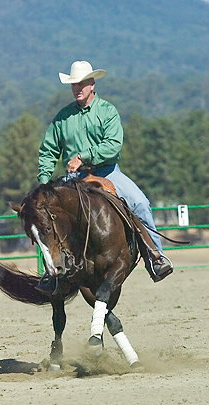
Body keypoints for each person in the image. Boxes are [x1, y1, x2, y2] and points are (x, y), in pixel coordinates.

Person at [37, 60, 173, 282]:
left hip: (107, 172)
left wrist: (82, 157)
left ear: (92, 84)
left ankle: (155, 257)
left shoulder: (107, 111)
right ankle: (53, 272)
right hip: (74, 178)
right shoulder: (62, 118)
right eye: (74, 84)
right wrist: (44, 183)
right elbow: (48, 150)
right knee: (47, 215)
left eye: (82, 83)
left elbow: (113, 145)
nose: (77, 88)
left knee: (140, 203)